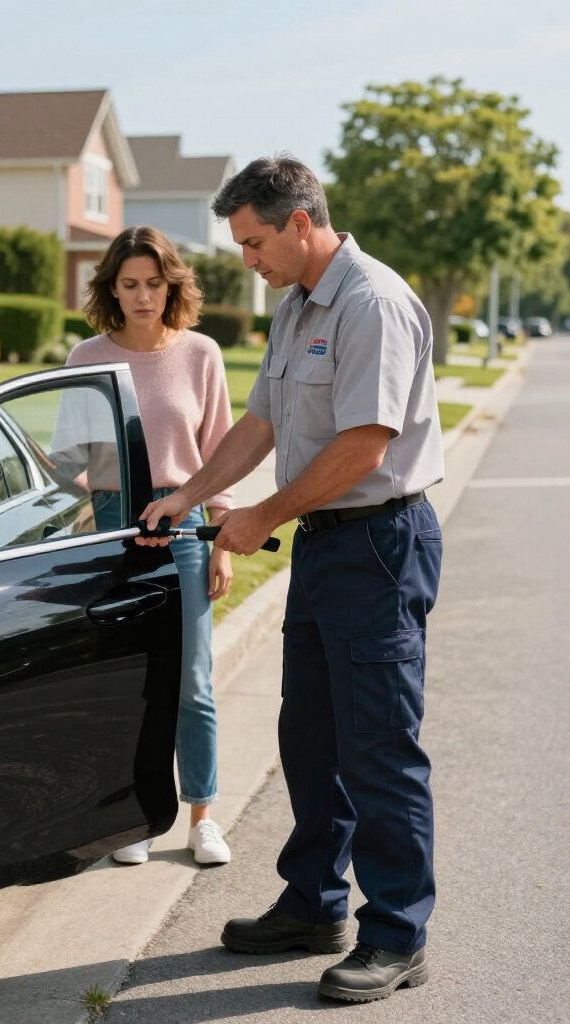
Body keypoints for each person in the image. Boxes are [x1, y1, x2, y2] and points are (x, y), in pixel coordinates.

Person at [142, 155, 445, 1003]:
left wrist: (261, 516)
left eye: (253, 242)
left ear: (300, 223)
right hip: (324, 546)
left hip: (380, 543)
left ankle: (397, 934)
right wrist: (190, 495)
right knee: (310, 737)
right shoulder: (294, 306)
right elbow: (263, 419)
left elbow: (363, 446)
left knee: (378, 744)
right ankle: (314, 903)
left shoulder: (372, 303)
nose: (247, 260)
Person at [67, 225, 235, 866]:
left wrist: (220, 537)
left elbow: (219, 450)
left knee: (193, 679)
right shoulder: (87, 358)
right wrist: (93, 510)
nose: (143, 297)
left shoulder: (201, 354)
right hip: (114, 526)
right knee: (131, 680)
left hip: (187, 525)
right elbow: (69, 459)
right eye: (130, 285)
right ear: (112, 288)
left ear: (173, 285)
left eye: (154, 284)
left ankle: (201, 818)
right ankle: (135, 819)